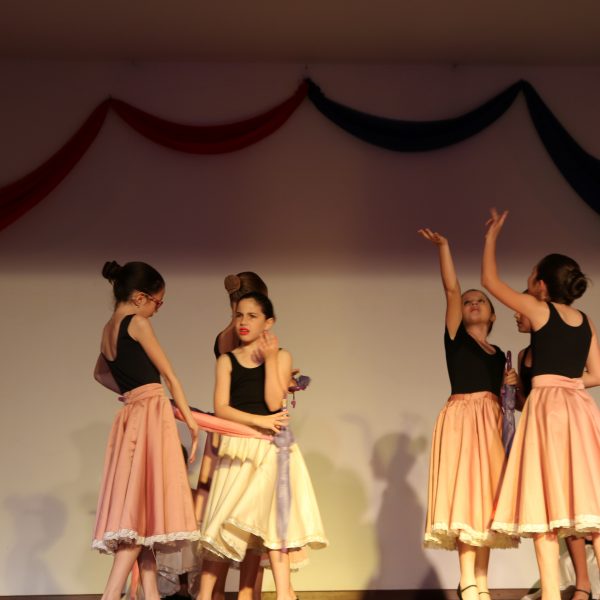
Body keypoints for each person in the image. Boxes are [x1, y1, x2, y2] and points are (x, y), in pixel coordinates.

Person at [482, 209, 600, 600]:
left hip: (549, 409)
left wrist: (492, 236)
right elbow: (598, 373)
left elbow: (490, 281)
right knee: (589, 503)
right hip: (580, 409)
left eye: (532, 276)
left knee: (545, 504)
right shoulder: (584, 319)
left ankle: (551, 594)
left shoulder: (540, 309)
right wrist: (571, 383)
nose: (528, 283)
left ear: (543, 285)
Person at [197, 292, 327, 600]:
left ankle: (284, 594)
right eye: (239, 315)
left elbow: (272, 402)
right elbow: (222, 408)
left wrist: (269, 360)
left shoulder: (281, 356)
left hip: (271, 450)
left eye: (252, 316)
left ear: (269, 322)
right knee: (221, 523)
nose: (243, 322)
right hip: (237, 448)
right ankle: (205, 595)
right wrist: (258, 421)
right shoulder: (227, 360)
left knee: (273, 525)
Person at [418, 228, 517, 600]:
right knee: (465, 496)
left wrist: (511, 385)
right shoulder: (456, 338)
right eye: (469, 301)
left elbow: (512, 402)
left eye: (480, 301)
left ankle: (481, 582)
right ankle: (468, 580)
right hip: (461, 420)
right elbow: (451, 290)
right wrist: (444, 247)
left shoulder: (500, 354)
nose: (473, 303)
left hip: (489, 423)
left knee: (485, 501)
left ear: (493, 314)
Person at [93, 260, 200, 600]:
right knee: (140, 517)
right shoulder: (137, 322)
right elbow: (169, 374)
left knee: (145, 516)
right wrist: (191, 421)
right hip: (150, 414)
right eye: (158, 302)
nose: (157, 309)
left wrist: (132, 391)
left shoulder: (107, 329)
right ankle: (111, 594)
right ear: (140, 297)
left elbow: (100, 374)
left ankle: (151, 595)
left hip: (131, 415)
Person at [514, 300, 594, 600]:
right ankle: (567, 588)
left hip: (566, 425)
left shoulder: (558, 345)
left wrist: (564, 384)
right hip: (541, 431)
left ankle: (583, 584)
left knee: (576, 503)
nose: (517, 314)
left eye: (521, 309)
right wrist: (516, 389)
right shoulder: (524, 355)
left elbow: (590, 374)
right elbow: (527, 405)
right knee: (553, 509)